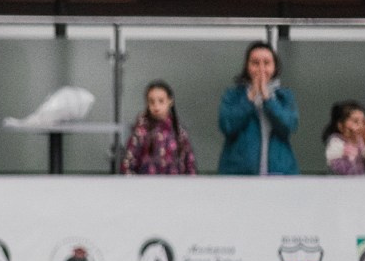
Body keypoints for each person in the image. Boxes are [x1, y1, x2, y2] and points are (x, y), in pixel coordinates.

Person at [216, 42, 299, 175]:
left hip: (279, 173)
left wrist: (268, 100)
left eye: (266, 63)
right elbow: (227, 125)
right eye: (255, 63)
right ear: (247, 66)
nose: (261, 69)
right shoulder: (233, 95)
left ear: (274, 67)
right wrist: (250, 98)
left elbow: (289, 126)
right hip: (239, 174)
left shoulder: (284, 96)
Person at [119, 80, 196, 175]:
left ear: (170, 101)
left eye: (161, 101)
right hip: (146, 186)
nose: (156, 106)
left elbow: (189, 163)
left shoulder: (178, 130)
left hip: (175, 186)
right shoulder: (141, 131)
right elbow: (128, 164)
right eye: (152, 101)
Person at [323, 101, 365, 176]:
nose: (360, 126)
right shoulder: (336, 143)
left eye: (363, 122)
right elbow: (339, 169)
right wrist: (351, 157)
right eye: (355, 121)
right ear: (340, 125)